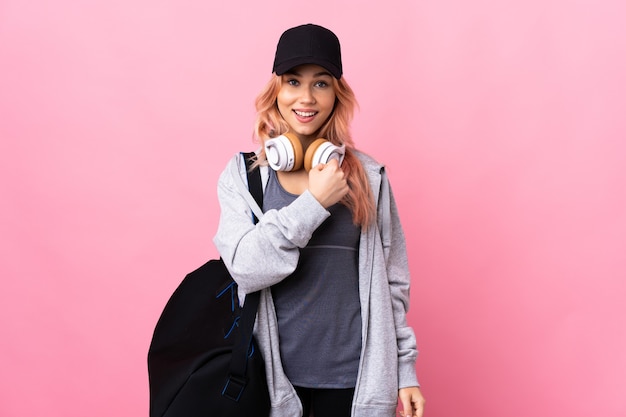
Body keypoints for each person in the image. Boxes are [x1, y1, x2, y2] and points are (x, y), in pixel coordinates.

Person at [213, 23, 425, 417]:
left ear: (336, 93)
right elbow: (244, 269)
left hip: (354, 383)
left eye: (321, 83)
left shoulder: (369, 176)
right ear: (275, 90)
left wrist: (405, 371)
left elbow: (394, 284)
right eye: (293, 81)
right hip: (272, 383)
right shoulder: (243, 176)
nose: (306, 97)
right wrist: (312, 203)